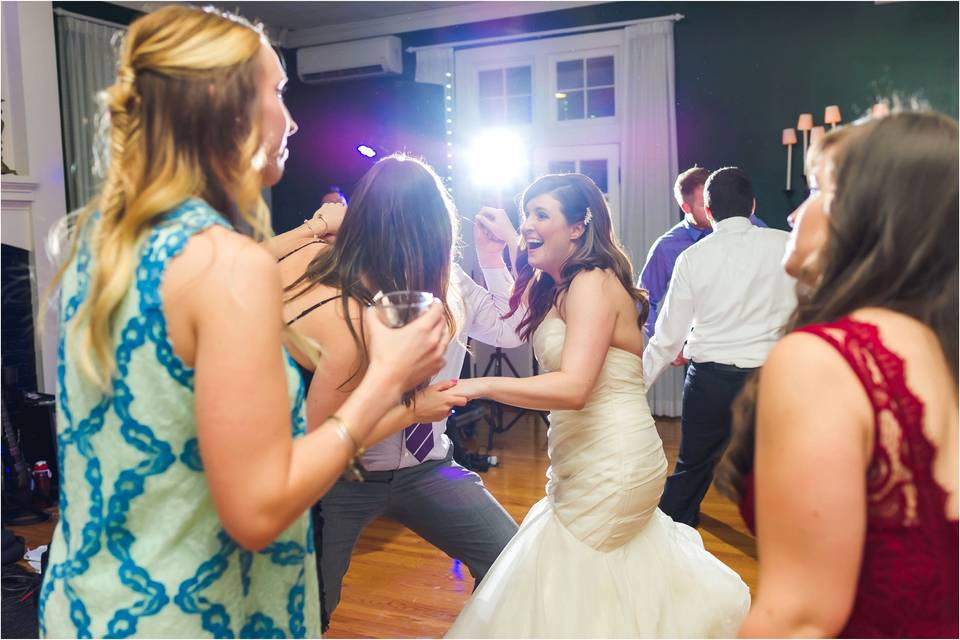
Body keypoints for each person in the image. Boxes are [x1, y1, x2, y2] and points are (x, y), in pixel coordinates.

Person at [39, 8, 446, 638]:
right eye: (277, 92)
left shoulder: (101, 245)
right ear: (222, 107)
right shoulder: (227, 265)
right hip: (198, 612)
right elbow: (256, 510)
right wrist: (385, 379)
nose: (293, 119)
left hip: (89, 603)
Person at [446, 173, 749, 638]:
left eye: (540, 214)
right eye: (526, 213)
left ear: (577, 227)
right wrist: (496, 251)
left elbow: (574, 388)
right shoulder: (553, 286)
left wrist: (478, 387)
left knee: (568, 585)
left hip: (614, 460)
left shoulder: (591, 281)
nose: (528, 223)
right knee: (600, 588)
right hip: (577, 457)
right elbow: (506, 322)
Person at [718, 112, 958, 638]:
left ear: (867, 217)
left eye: (815, 190)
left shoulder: (828, 359)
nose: (798, 212)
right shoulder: (938, 349)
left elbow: (800, 619)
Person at [276, 156, 523, 627]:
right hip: (343, 478)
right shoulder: (339, 291)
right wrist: (413, 407)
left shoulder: (448, 281)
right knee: (312, 607)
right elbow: (318, 438)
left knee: (512, 563)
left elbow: (509, 330)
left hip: (428, 468)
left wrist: (493, 258)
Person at [643, 167, 796, 528]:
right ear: (753, 205)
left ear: (708, 212)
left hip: (710, 382)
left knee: (692, 470)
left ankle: (671, 544)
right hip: (770, 381)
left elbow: (666, 339)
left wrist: (634, 387)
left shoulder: (692, 259)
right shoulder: (787, 245)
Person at [638, 166, 767, 341]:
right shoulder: (666, 247)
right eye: (703, 204)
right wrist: (663, 341)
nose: (712, 208)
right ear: (685, 207)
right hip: (700, 348)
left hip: (752, 338)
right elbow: (643, 299)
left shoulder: (747, 223)